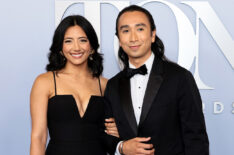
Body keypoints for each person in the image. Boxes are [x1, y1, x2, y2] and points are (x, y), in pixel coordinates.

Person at [104, 5, 209, 155]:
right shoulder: (113, 85)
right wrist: (122, 146)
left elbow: (196, 138)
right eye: (126, 31)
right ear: (119, 40)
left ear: (152, 35)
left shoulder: (180, 78)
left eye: (140, 29)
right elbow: (106, 136)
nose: (133, 38)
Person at [30, 15, 119, 155]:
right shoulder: (44, 82)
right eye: (68, 41)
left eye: (83, 40)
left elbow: (113, 133)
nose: (76, 47)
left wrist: (118, 129)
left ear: (92, 47)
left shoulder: (105, 84)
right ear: (60, 47)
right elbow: (39, 137)